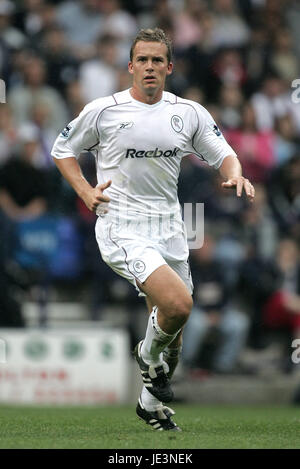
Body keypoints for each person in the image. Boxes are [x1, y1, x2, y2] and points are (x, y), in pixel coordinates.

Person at [51, 28, 255, 432]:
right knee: (179, 306)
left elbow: (224, 154)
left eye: (157, 60)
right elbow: (62, 150)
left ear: (169, 67)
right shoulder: (103, 111)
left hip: (170, 230)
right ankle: (146, 355)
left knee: (174, 345)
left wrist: (236, 175)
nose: (149, 67)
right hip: (122, 226)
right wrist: (86, 191)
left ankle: (149, 404)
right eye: (142, 60)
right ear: (130, 66)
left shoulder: (189, 112)